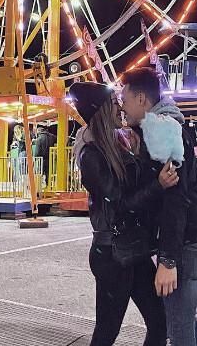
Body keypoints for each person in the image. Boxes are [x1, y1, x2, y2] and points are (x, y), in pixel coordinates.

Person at [69, 81, 180, 346]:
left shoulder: (119, 145)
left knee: (159, 321)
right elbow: (120, 202)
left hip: (133, 248)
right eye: (113, 103)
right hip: (111, 254)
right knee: (107, 331)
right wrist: (158, 186)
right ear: (101, 110)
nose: (119, 106)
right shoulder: (91, 155)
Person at [119, 66, 197, 346]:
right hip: (193, 239)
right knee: (183, 318)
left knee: (178, 325)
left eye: (124, 100)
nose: (122, 107)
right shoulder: (168, 125)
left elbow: (175, 200)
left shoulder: (161, 130)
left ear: (140, 99)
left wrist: (168, 260)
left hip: (185, 243)